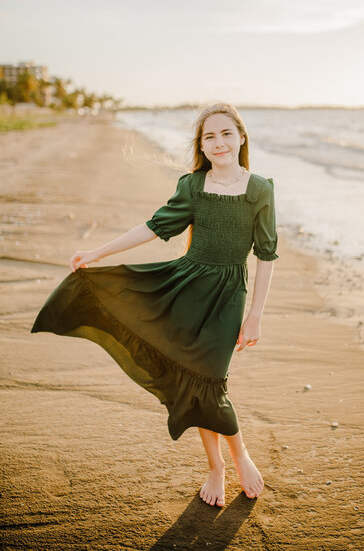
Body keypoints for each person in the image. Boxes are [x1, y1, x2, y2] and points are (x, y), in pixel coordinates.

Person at [31, 102, 279, 508]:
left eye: (226, 133)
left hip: (228, 297)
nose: (218, 143)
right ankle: (217, 467)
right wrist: (96, 252)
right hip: (184, 289)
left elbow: (266, 254)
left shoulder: (260, 189)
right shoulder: (193, 186)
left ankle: (240, 456)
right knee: (193, 381)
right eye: (209, 137)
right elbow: (152, 227)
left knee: (211, 381)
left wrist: (255, 316)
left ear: (242, 137)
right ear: (202, 145)